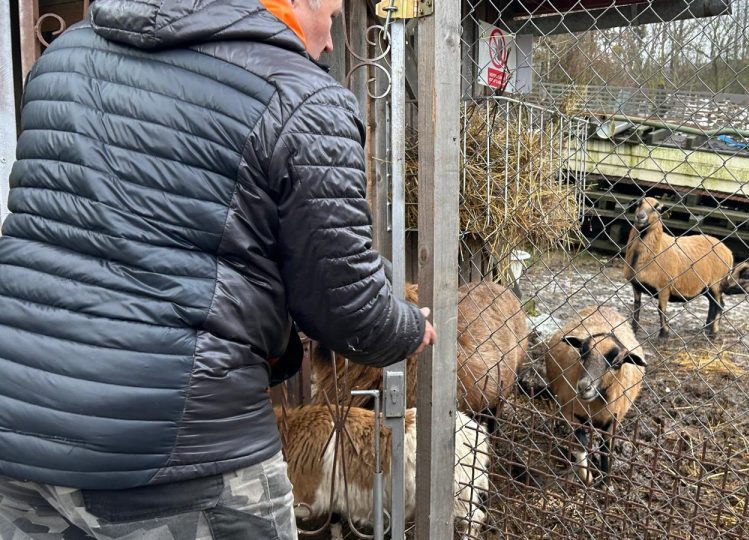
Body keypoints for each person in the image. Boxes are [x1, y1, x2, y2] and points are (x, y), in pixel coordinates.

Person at [0, 0, 435, 538]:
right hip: (178, 443)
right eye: (332, 11)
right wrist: (409, 326)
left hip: (18, 424)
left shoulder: (64, 55)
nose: (327, 41)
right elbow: (345, 305)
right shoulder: (302, 96)